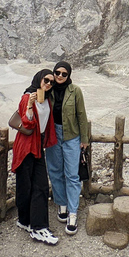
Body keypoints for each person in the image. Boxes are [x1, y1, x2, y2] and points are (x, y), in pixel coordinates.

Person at [11, 69, 59, 245]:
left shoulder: (46, 99)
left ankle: (27, 221)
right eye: (46, 80)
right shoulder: (27, 98)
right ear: (39, 79)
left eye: (51, 82)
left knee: (38, 186)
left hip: (37, 146)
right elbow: (28, 123)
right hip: (25, 147)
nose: (48, 84)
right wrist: (30, 106)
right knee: (29, 186)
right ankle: (37, 228)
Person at [45, 61, 89, 235]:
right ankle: (61, 204)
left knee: (72, 174)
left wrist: (84, 139)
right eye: (57, 72)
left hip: (71, 136)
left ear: (69, 75)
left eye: (64, 73)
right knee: (55, 171)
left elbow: (81, 115)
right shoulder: (49, 89)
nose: (60, 76)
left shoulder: (75, 91)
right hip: (53, 135)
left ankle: (72, 213)